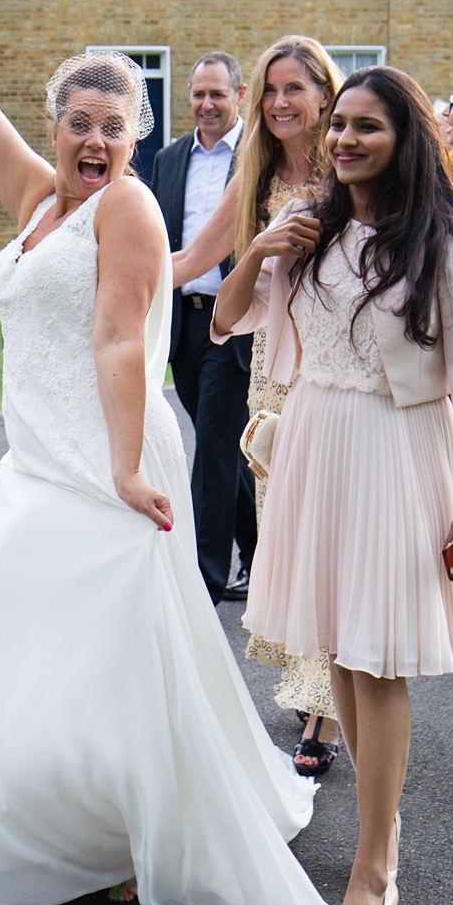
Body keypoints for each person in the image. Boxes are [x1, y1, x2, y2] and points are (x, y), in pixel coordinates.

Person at [0, 0, 339, 905]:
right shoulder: (38, 199)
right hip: (35, 459)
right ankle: (55, 818)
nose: (96, 140)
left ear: (135, 135)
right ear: (55, 126)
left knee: (96, 649)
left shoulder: (128, 207)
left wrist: (122, 469)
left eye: (115, 126)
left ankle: (121, 834)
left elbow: (119, 338)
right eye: (80, 122)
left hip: (107, 455)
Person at [214, 64, 453, 905]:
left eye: (366, 126)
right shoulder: (310, 227)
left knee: (376, 659)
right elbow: (227, 320)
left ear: (405, 138)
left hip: (397, 447)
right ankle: (380, 836)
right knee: (340, 651)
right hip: (315, 444)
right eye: (339, 124)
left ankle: (374, 868)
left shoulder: (441, 242)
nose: (344, 138)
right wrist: (262, 248)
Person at [174, 35, 347, 778]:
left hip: (340, 374)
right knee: (287, 537)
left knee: (330, 540)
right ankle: (315, 684)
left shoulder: (350, 169)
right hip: (274, 379)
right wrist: (101, 268)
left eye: (294, 88)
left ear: (325, 95)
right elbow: (192, 263)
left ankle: (327, 709)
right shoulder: (256, 178)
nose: (279, 102)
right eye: (269, 90)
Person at [146, 51, 256, 603]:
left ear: (240, 96)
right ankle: (261, 555)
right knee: (223, 447)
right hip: (184, 322)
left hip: (234, 324)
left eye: (217, 94)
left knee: (213, 445)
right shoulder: (168, 159)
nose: (206, 104)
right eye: (198, 94)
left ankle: (205, 580)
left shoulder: (256, 157)